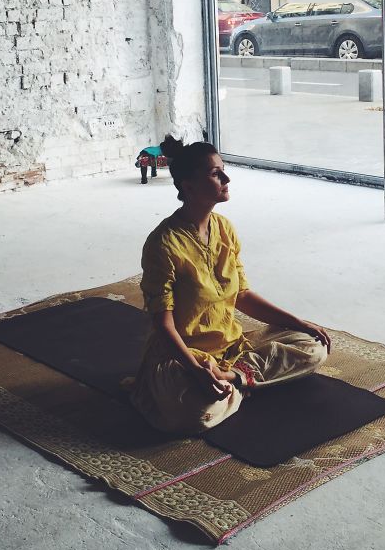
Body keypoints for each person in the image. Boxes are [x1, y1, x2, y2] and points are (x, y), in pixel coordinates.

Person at [130, 136, 330, 435]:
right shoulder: (164, 244)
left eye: (223, 170)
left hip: (231, 349)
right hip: (184, 355)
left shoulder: (224, 228)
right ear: (188, 185)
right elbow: (163, 325)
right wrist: (197, 371)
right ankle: (237, 383)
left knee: (314, 347)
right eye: (215, 173)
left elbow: (242, 296)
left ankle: (233, 379)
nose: (226, 178)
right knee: (196, 415)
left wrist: (298, 322)